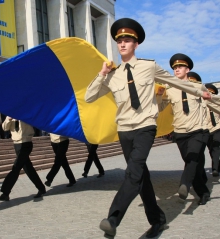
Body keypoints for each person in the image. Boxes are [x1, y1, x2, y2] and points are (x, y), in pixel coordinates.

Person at [85, 18, 211, 238]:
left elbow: (176, 82)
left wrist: (201, 92)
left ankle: (113, 218)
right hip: (124, 129)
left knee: (133, 171)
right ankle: (158, 220)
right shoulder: (113, 75)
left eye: (127, 40)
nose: (122, 44)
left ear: (136, 44)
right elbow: (89, 97)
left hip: (145, 126)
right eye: (119, 41)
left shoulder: (148, 66)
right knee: (140, 176)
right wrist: (102, 73)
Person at [158, 54, 211, 206]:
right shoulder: (169, 89)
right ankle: (203, 192)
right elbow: (161, 108)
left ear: (187, 69)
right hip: (180, 132)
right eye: (174, 68)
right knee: (191, 162)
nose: (176, 70)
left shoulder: (198, 86)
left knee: (193, 159)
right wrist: (160, 96)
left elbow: (210, 102)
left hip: (198, 130)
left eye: (180, 67)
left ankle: (184, 185)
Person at [0, 117, 46, 201]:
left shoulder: (24, 112)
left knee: (16, 167)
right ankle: (41, 188)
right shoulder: (10, 115)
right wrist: (9, 119)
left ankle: (5, 192)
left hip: (26, 143)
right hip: (17, 144)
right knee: (28, 169)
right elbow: (5, 128)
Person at [205, 83, 220, 176]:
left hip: (217, 128)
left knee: (216, 147)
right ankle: (217, 165)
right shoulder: (203, 104)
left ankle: (215, 169)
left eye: (211, 92)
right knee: (211, 149)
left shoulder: (217, 104)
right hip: (207, 129)